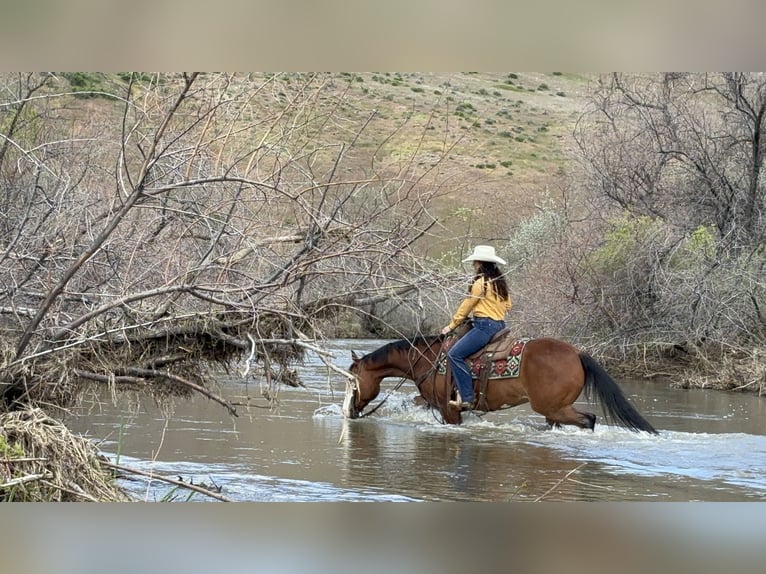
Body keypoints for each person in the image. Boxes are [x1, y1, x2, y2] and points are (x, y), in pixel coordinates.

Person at [441, 245, 512, 410]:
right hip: (500, 325)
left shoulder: (481, 283)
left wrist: (452, 325)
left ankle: (467, 397)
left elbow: (467, 305)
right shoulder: (500, 283)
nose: (473, 265)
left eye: (475, 262)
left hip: (484, 326)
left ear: (479, 263)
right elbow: (508, 305)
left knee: (454, 354)